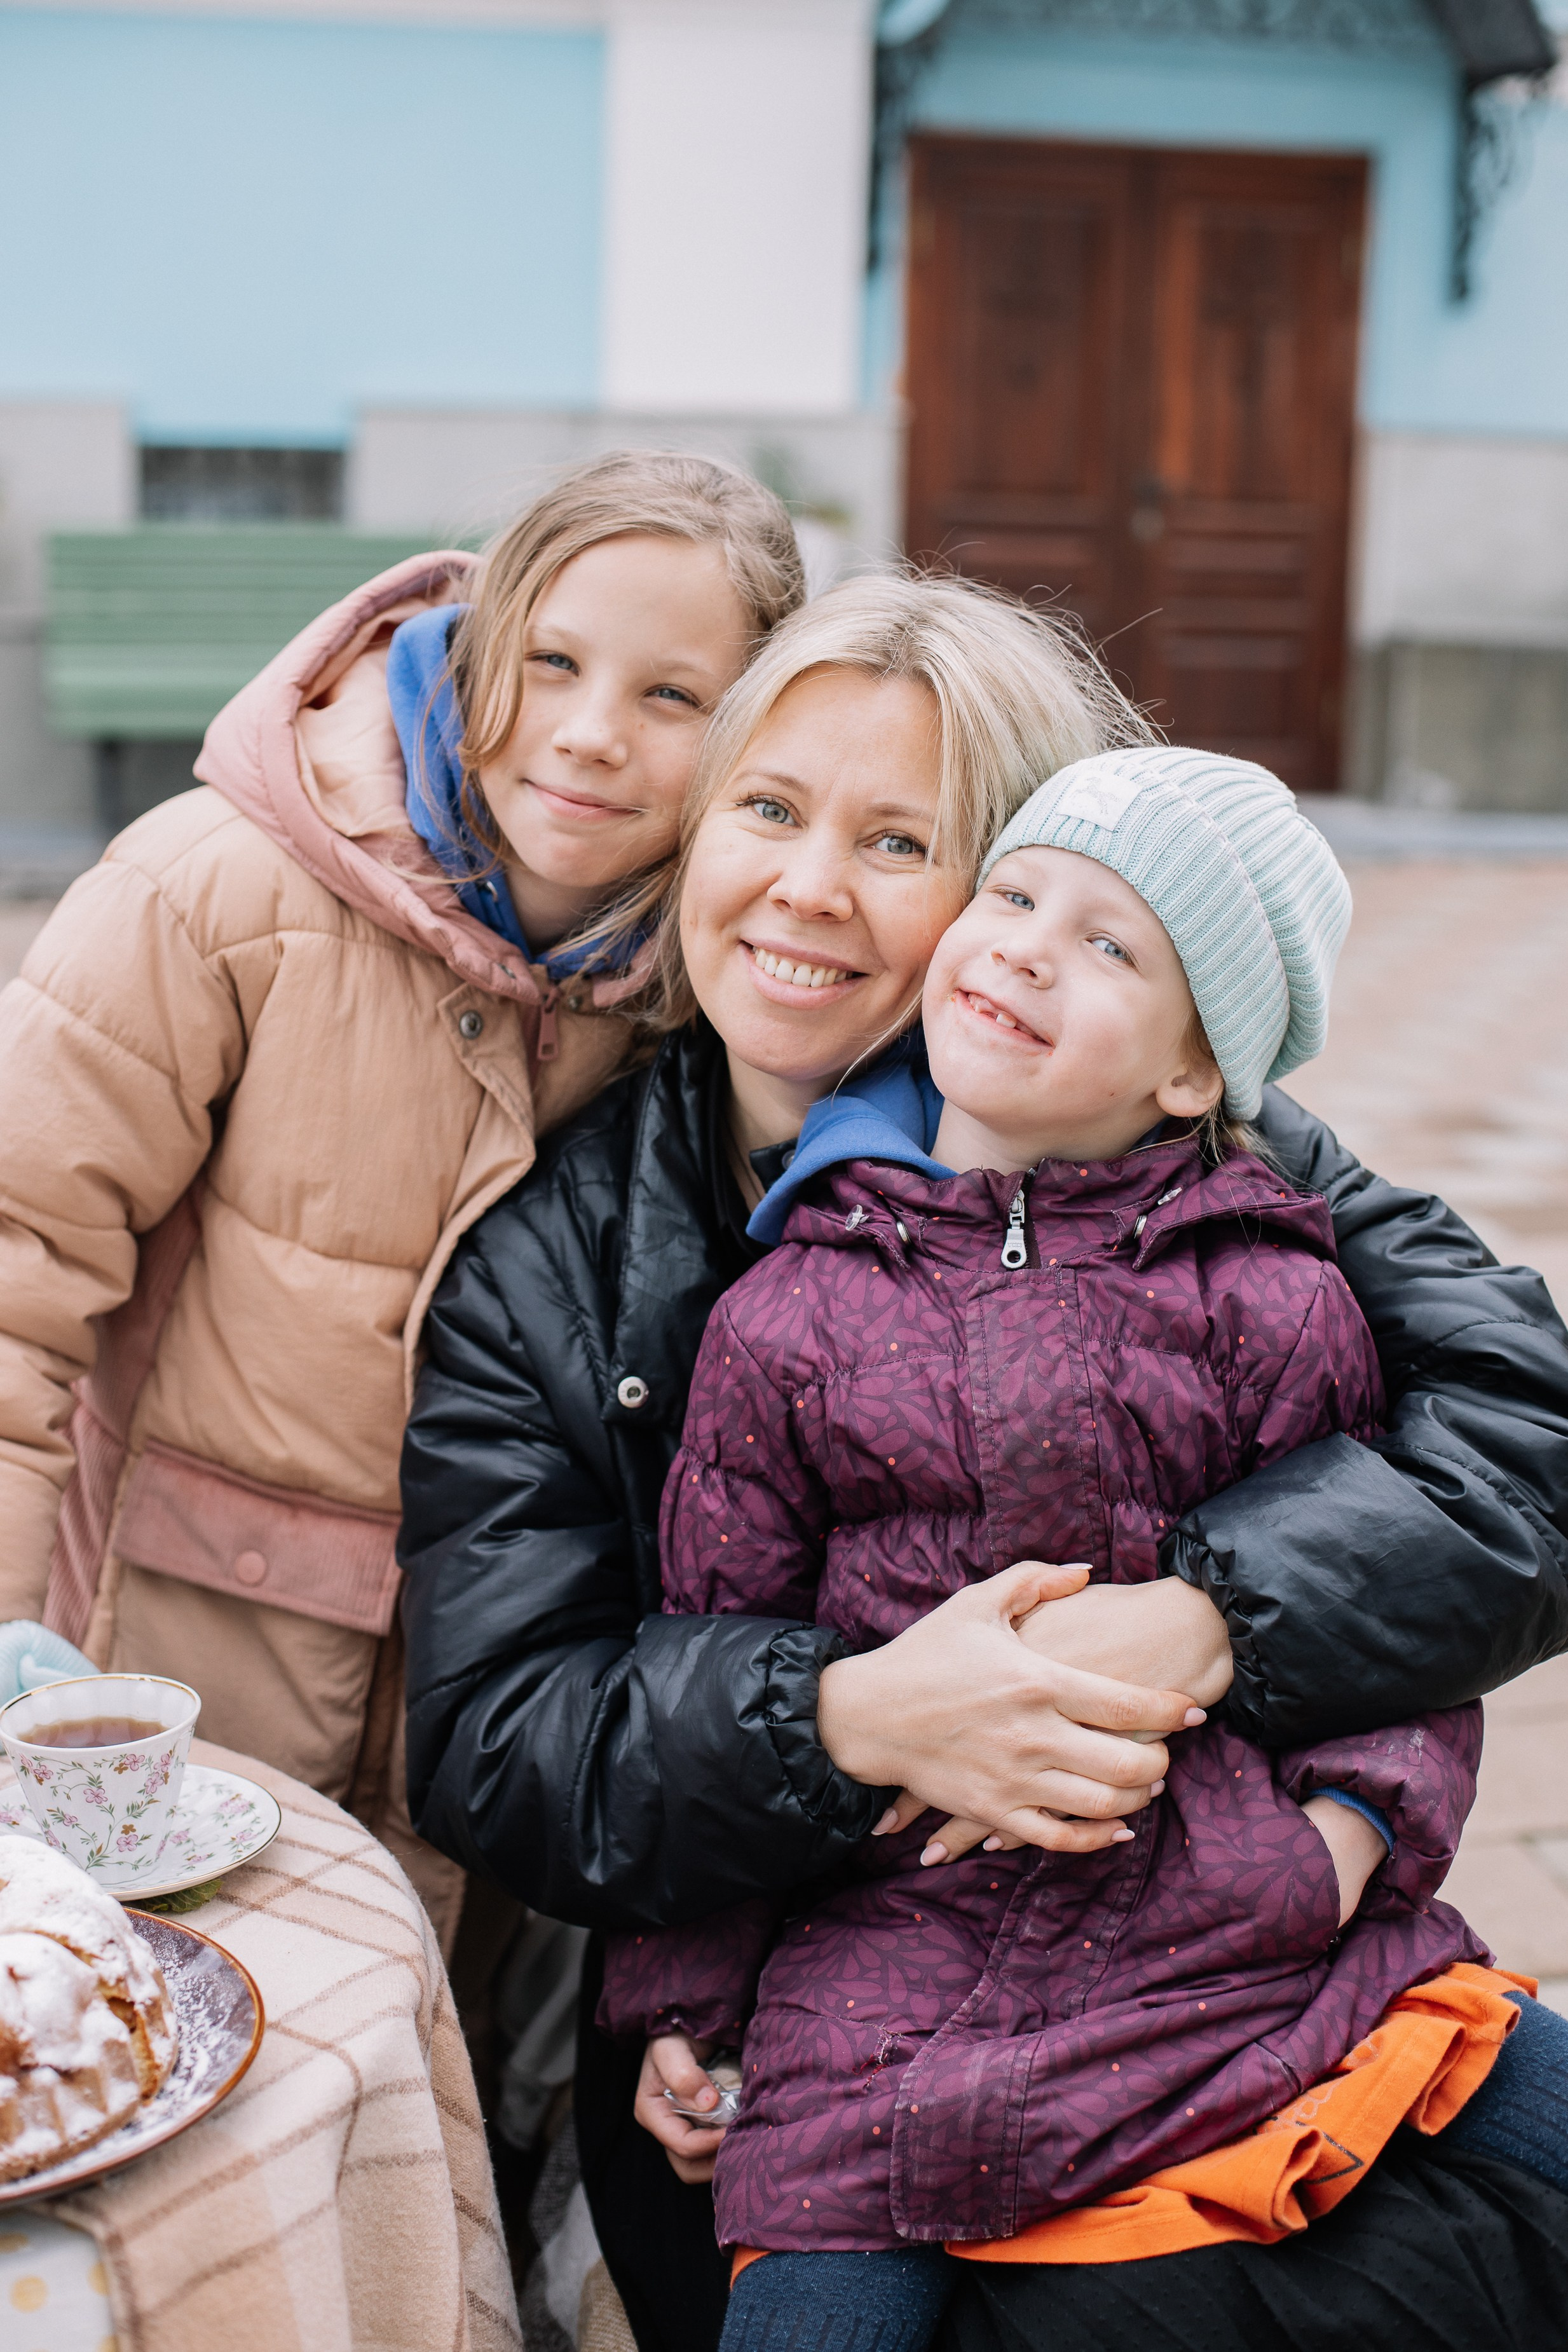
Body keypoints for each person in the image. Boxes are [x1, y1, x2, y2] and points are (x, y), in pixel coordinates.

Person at [397, 572, 1568, 2351]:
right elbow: (503, 1736)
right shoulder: (584, 1258)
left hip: (1217, 1933)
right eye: (768, 809)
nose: (809, 886)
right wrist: (845, 1719)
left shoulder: (1225, 1186)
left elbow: (1515, 1438)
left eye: (900, 842)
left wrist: (1227, 1642)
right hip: (850, 1988)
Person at [600, 742, 1508, 2347]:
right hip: (892, 1970)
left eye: (1109, 945)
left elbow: (1391, 1621)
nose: (1025, 947)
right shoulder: (786, 1311)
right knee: (815, 2305)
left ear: (1194, 1072)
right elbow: (713, 1655)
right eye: (1013, 895)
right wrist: (690, 1995)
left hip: (1237, 1933)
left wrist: (1345, 1837)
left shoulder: (1269, 1291)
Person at [0, 448, 803, 1945]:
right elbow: (16, 1257)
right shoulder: (214, 896)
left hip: (494, 1732)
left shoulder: (715, 987)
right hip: (179, 1687)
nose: (589, 733)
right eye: (551, 661)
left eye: (672, 695)